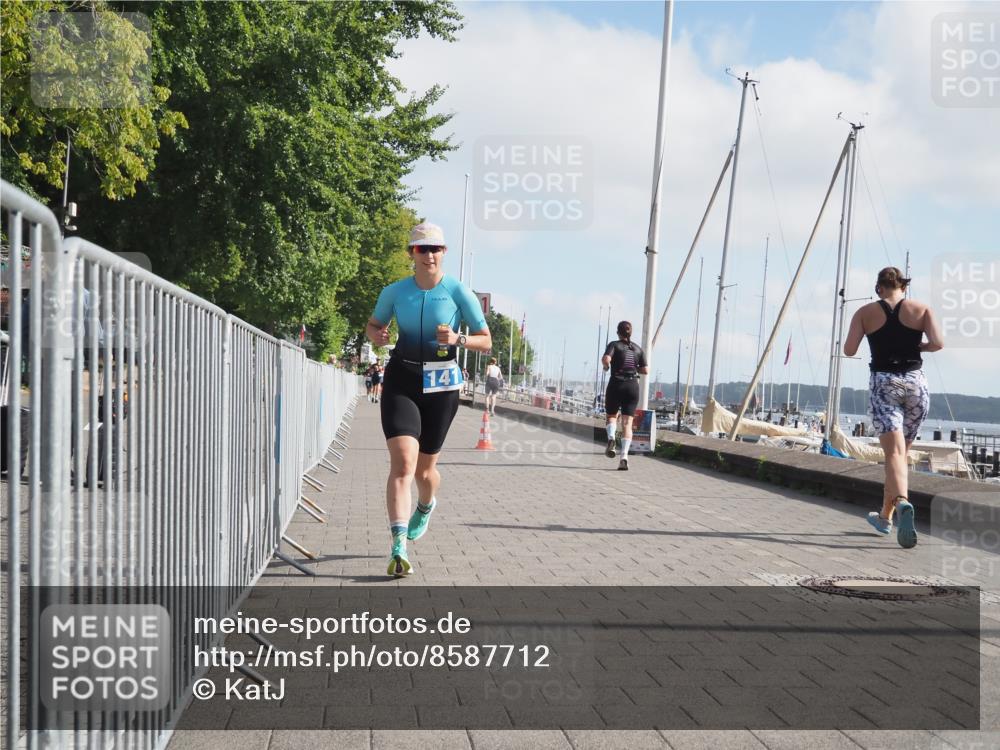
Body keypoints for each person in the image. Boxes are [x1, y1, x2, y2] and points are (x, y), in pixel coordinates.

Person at [366, 222, 492, 577]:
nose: (430, 254)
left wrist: (458, 339)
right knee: (403, 465)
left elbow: (486, 340)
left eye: (436, 248)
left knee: (425, 471)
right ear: (412, 254)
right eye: (423, 249)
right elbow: (373, 325)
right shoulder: (395, 291)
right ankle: (398, 546)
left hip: (441, 385)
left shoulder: (458, 291)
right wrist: (378, 335)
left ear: (444, 252)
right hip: (402, 379)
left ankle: (426, 504)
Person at [844, 266, 943, 549]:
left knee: (895, 455)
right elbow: (938, 343)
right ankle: (885, 517)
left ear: (879, 288)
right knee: (899, 456)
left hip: (884, 384)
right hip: (916, 385)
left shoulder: (865, 312)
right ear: (904, 287)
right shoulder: (922, 310)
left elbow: (849, 350)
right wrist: (917, 347)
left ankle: (901, 503)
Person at [601, 321, 648, 471]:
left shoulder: (614, 345)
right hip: (632, 386)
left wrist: (607, 366)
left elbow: (606, 359)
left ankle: (611, 439)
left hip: (616, 384)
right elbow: (646, 370)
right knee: (627, 424)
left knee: (611, 416)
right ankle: (624, 457)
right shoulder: (638, 349)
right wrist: (634, 368)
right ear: (630, 332)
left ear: (618, 332)